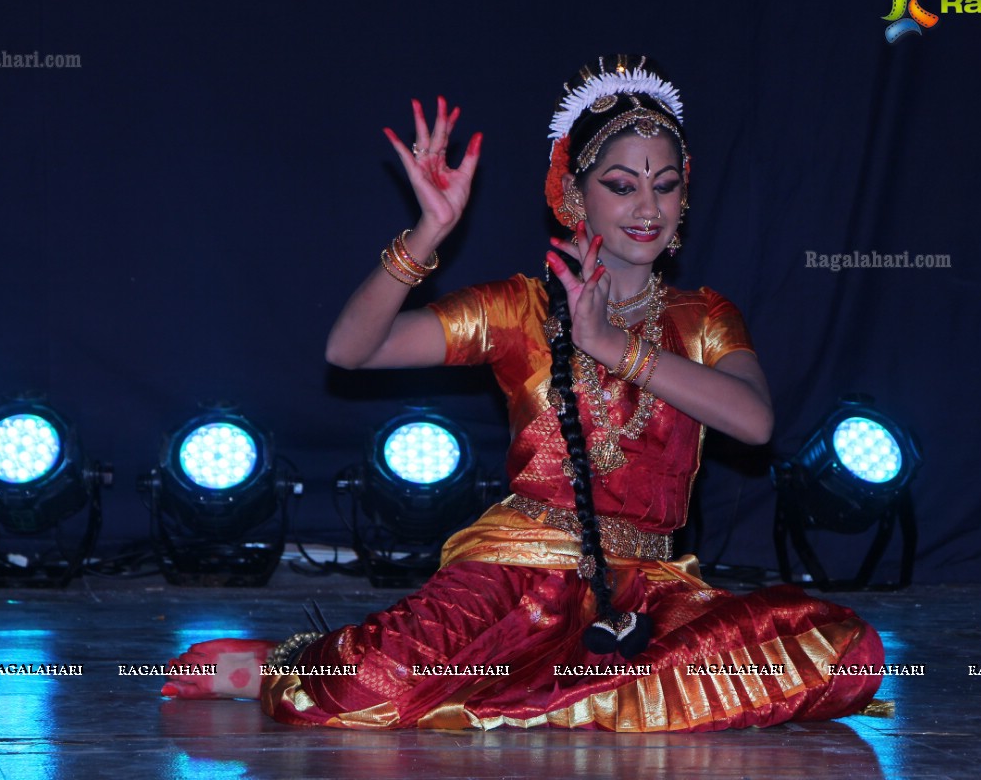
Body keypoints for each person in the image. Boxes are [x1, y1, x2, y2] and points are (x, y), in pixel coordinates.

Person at [163, 55, 886, 731]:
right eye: (622, 184)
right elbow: (351, 350)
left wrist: (614, 347)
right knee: (362, 690)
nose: (647, 206)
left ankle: (543, 690)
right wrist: (428, 231)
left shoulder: (704, 317)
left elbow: (754, 423)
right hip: (516, 571)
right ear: (575, 192)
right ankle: (284, 662)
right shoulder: (517, 308)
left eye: (665, 185)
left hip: (648, 592)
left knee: (845, 650)